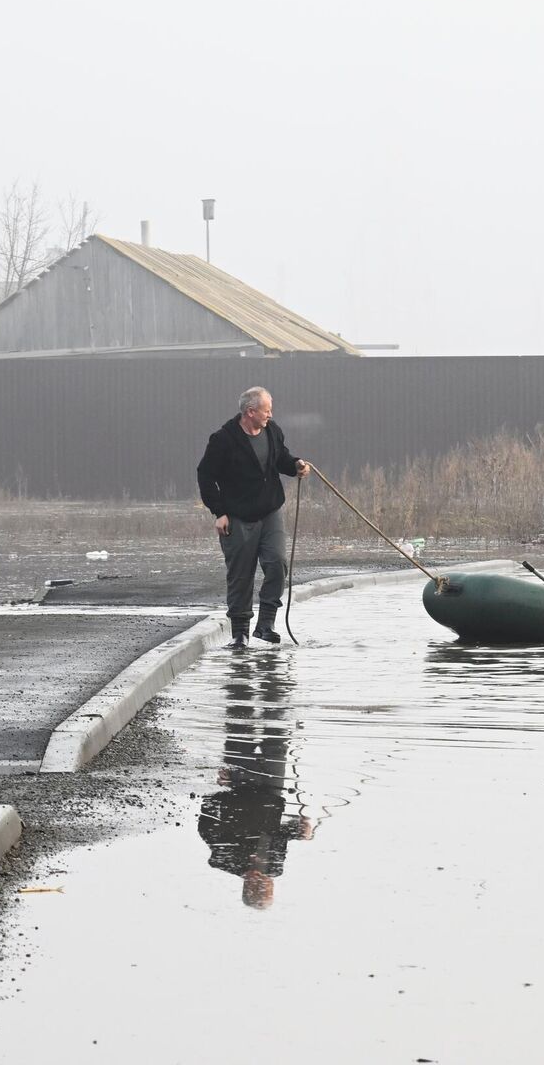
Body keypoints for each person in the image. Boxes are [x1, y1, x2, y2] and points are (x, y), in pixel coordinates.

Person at [195, 386, 311, 649]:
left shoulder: (272, 431)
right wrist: (219, 512)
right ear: (250, 412)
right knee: (241, 575)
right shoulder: (223, 439)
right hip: (236, 517)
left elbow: (280, 459)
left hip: (270, 511)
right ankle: (240, 635)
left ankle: (266, 624)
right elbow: (205, 475)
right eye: (266, 410)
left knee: (277, 564)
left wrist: (296, 465)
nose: (270, 414)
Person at [196, 653, 315, 909]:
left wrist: (217, 793)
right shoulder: (275, 866)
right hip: (271, 788)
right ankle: (274, 671)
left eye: (257, 887)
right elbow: (278, 834)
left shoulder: (223, 859)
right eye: (266, 886)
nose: (263, 880)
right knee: (277, 729)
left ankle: (240, 667)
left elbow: (205, 824)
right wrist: (299, 830)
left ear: (246, 887)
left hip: (239, 785)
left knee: (240, 719)